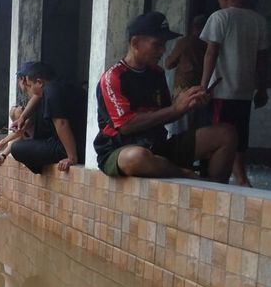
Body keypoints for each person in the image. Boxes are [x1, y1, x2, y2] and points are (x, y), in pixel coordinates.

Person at [94, 12, 236, 181]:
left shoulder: (156, 73)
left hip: (158, 147)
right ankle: (186, 174)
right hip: (120, 150)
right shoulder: (113, 77)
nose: (162, 51)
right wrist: (175, 109)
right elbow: (126, 125)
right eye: (157, 45)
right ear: (135, 43)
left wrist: (189, 104)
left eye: (164, 45)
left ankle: (215, 192)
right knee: (137, 158)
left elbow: (165, 115)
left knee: (226, 133)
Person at [200, 0, 269, 187]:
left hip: (221, 89)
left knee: (217, 135)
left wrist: (203, 86)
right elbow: (262, 59)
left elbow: (211, 52)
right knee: (239, 136)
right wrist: (262, 88)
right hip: (244, 91)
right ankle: (241, 178)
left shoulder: (219, 17)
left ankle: (215, 180)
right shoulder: (259, 20)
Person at [0, 62, 85, 174]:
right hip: (74, 142)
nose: (30, 89)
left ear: (39, 82)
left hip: (67, 147)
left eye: (30, 85)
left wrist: (71, 158)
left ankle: (43, 165)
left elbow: (62, 123)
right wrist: (22, 117)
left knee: (17, 149)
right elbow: (37, 97)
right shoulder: (56, 85)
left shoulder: (51, 92)